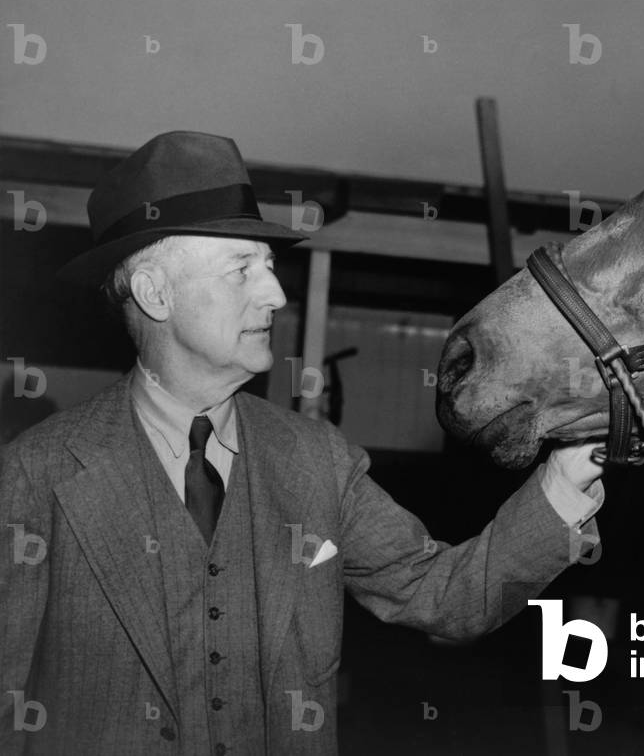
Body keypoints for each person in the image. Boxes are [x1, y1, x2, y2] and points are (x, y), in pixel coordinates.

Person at [0, 131, 604, 755]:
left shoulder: (318, 461)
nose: (276, 294)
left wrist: (561, 484)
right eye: (242, 270)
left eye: (268, 266)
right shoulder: (36, 474)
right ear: (156, 294)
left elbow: (448, 599)